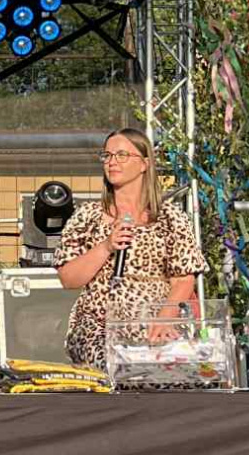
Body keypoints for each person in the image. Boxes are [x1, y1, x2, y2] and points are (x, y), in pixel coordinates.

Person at [55, 126, 207, 370]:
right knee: (117, 369)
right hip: (99, 327)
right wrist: (106, 246)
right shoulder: (87, 216)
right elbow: (68, 278)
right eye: (107, 155)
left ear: (144, 163)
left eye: (122, 155)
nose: (112, 162)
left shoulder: (170, 218)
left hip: (156, 323)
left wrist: (165, 318)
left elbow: (183, 279)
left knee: (184, 371)